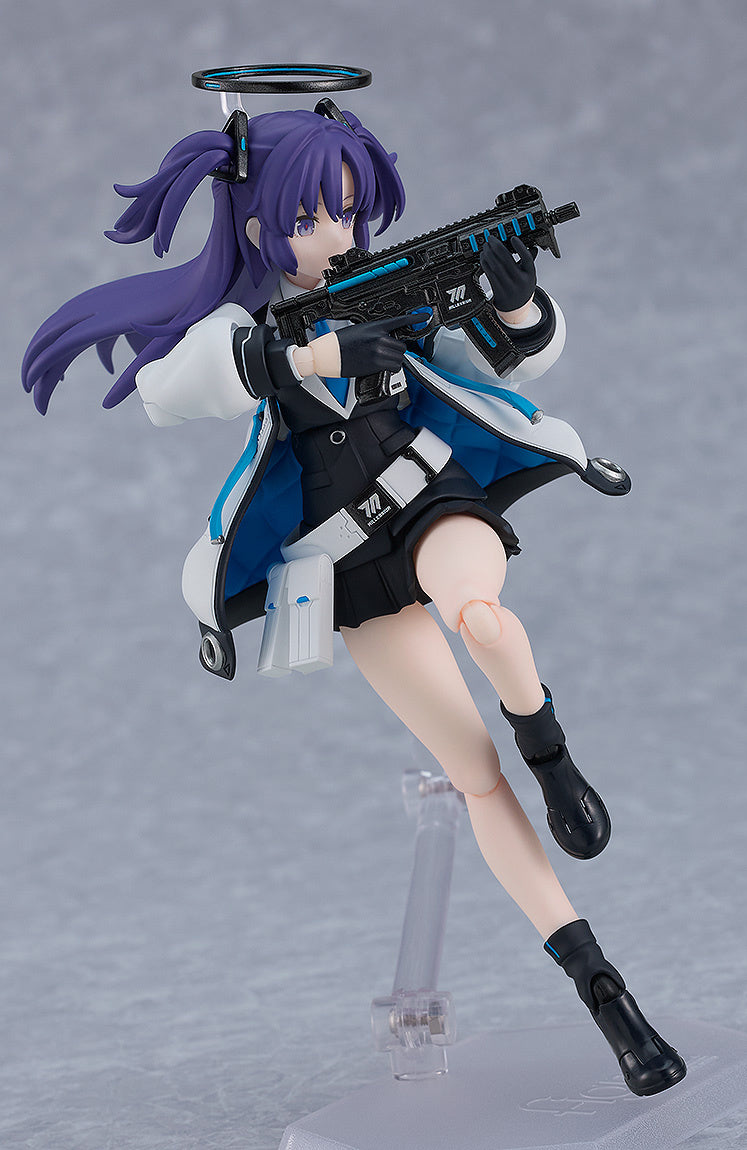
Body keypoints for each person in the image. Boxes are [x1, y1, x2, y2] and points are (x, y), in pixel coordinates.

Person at [22, 104, 686, 1096]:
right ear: (259, 229)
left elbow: (485, 362)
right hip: (348, 564)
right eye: (309, 219)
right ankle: (605, 994)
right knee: (473, 779)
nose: (335, 236)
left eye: (347, 213)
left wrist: (513, 309)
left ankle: (551, 754)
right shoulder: (248, 336)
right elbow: (170, 387)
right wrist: (300, 359)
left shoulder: (388, 290)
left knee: (482, 617)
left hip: (435, 495)